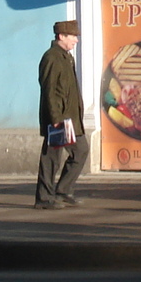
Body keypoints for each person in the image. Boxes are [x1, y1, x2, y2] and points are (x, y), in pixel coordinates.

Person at [35, 19, 88, 210]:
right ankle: (44, 198)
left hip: (71, 118)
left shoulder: (66, 57)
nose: (76, 40)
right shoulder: (52, 58)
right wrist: (55, 119)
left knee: (81, 151)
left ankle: (64, 191)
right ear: (61, 36)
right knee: (51, 159)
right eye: (73, 36)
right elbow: (49, 91)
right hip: (58, 119)